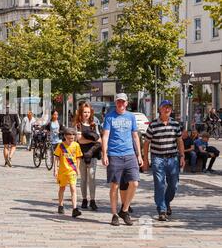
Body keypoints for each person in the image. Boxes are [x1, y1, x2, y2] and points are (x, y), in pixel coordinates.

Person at [102, 93, 143, 226]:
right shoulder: (110, 117)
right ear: (115, 103)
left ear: (126, 103)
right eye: (118, 102)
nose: (120, 104)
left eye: (123, 102)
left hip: (130, 154)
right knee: (115, 185)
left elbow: (135, 136)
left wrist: (139, 155)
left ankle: (124, 210)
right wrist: (104, 153)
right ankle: (114, 214)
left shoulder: (131, 116)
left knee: (134, 183)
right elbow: (105, 136)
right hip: (114, 155)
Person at [143, 100, 185, 222]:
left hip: (173, 158)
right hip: (158, 158)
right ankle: (162, 209)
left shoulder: (175, 124)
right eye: (164, 107)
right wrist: (146, 160)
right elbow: (146, 143)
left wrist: (182, 156)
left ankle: (166, 203)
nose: (167, 110)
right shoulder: (153, 125)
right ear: (160, 109)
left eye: (169, 108)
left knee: (174, 185)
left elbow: (180, 141)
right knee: (160, 184)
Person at [74, 102, 101, 211]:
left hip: (93, 154)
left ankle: (93, 200)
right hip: (82, 154)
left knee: (92, 176)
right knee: (83, 178)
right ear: (81, 112)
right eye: (85, 112)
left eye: (88, 112)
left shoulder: (94, 124)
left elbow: (99, 139)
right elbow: (79, 139)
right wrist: (92, 139)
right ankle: (84, 199)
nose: (87, 114)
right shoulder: (78, 125)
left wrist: (94, 140)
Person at [53, 128, 83, 218]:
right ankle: (60, 205)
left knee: (73, 188)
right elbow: (56, 157)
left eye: (72, 138)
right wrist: (55, 169)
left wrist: (77, 168)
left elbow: (78, 157)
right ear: (65, 137)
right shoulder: (60, 146)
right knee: (62, 188)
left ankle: (74, 209)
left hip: (72, 170)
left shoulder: (76, 145)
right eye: (69, 138)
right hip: (62, 171)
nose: (71, 140)